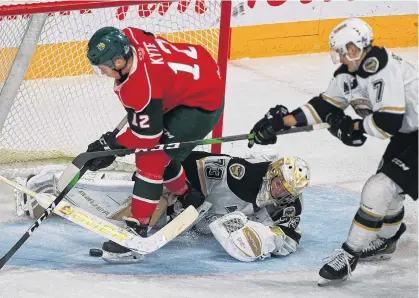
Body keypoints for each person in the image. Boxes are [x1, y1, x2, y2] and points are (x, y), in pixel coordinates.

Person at [248, 17, 417, 285]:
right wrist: (280, 122)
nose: (342, 56)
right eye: (340, 51)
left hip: (409, 133)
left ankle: (349, 255)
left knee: (379, 189)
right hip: (410, 136)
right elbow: (323, 107)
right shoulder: (348, 74)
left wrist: (352, 125)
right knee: (392, 191)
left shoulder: (383, 68)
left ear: (362, 46)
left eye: (347, 50)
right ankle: (386, 240)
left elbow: (387, 123)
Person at [16, 150, 310, 263]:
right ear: (273, 172)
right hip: (175, 194)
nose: (281, 190)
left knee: (122, 210)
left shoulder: (288, 204)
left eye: (288, 189)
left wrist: (267, 240)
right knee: (127, 203)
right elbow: (186, 162)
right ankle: (44, 186)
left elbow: (289, 238)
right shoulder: (240, 173)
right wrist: (186, 192)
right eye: (280, 182)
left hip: (195, 219)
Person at [85, 26, 224, 263]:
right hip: (197, 75)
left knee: (151, 158)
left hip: (201, 105)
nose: (102, 70)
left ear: (119, 61)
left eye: (104, 66)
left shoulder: (140, 87)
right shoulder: (130, 36)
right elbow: (147, 37)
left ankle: (137, 232)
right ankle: (189, 198)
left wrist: (112, 146)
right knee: (162, 153)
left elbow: (146, 138)